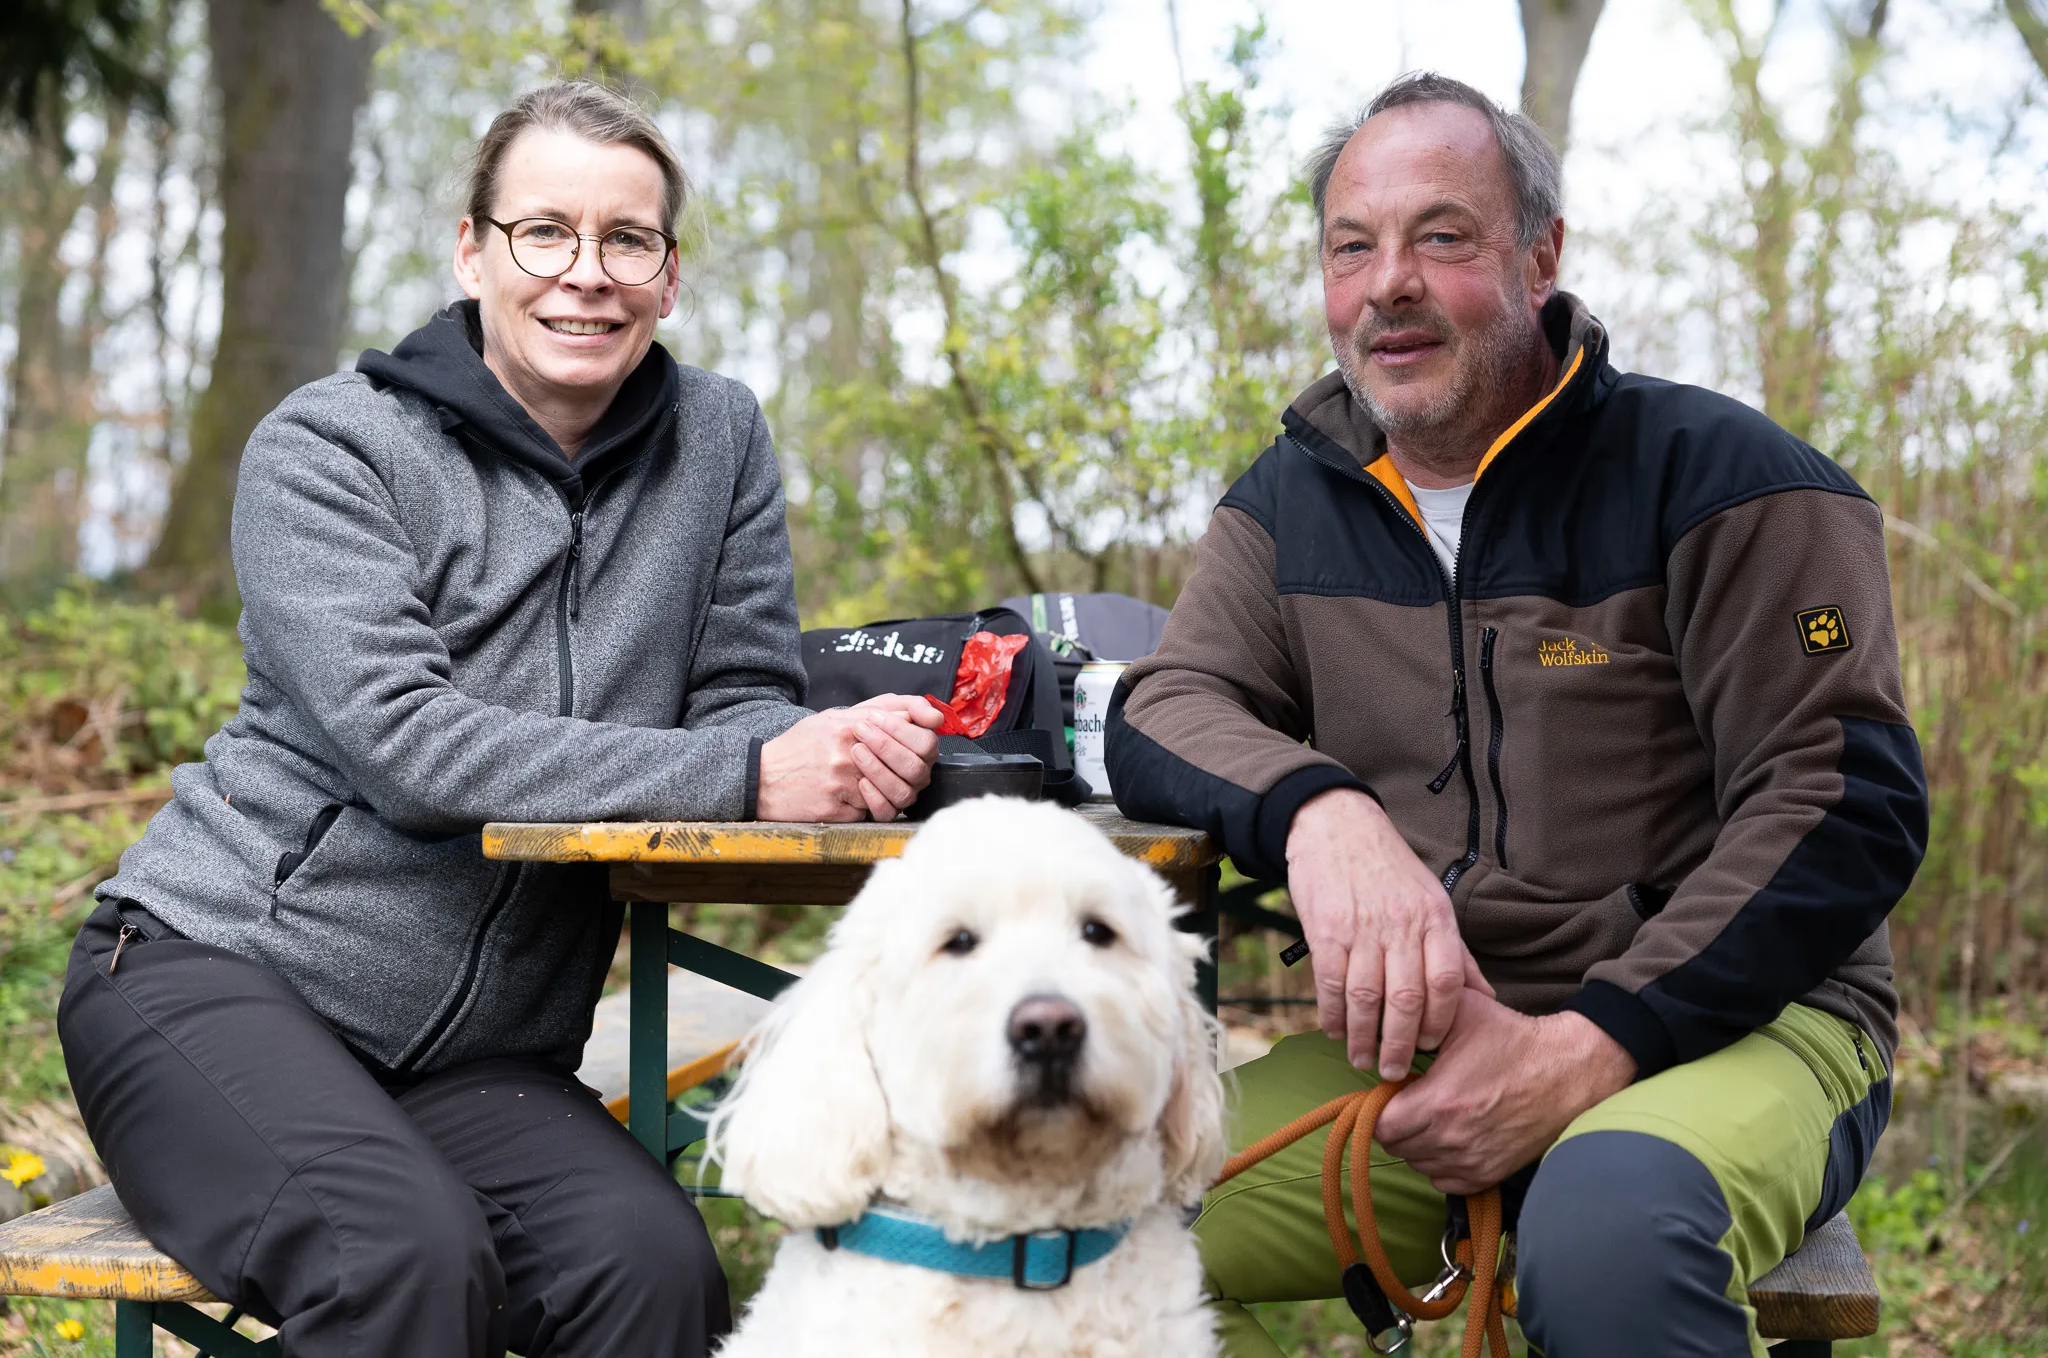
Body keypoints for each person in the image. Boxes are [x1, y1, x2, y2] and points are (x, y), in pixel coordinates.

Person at [57, 80, 942, 1358]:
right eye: (544, 232)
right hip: (213, 979)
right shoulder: (330, 448)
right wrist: (748, 773)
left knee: (650, 1271)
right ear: (472, 250)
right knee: (399, 1262)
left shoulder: (719, 442)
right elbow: (413, 749)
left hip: (482, 1053)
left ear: (669, 273)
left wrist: (834, 762)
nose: (585, 275)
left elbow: (743, 692)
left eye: (625, 239)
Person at [1106, 72, 1927, 1357]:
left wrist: (1591, 1045)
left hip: (1729, 1027)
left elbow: (1843, 801)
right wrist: (1324, 816)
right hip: (1425, 1051)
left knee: (1606, 1231)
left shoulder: (1732, 483)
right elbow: (1164, 704)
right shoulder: (1288, 502)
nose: (1387, 284)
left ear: (1538, 256)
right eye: (1350, 246)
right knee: (1061, 1227)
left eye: (1440, 236)